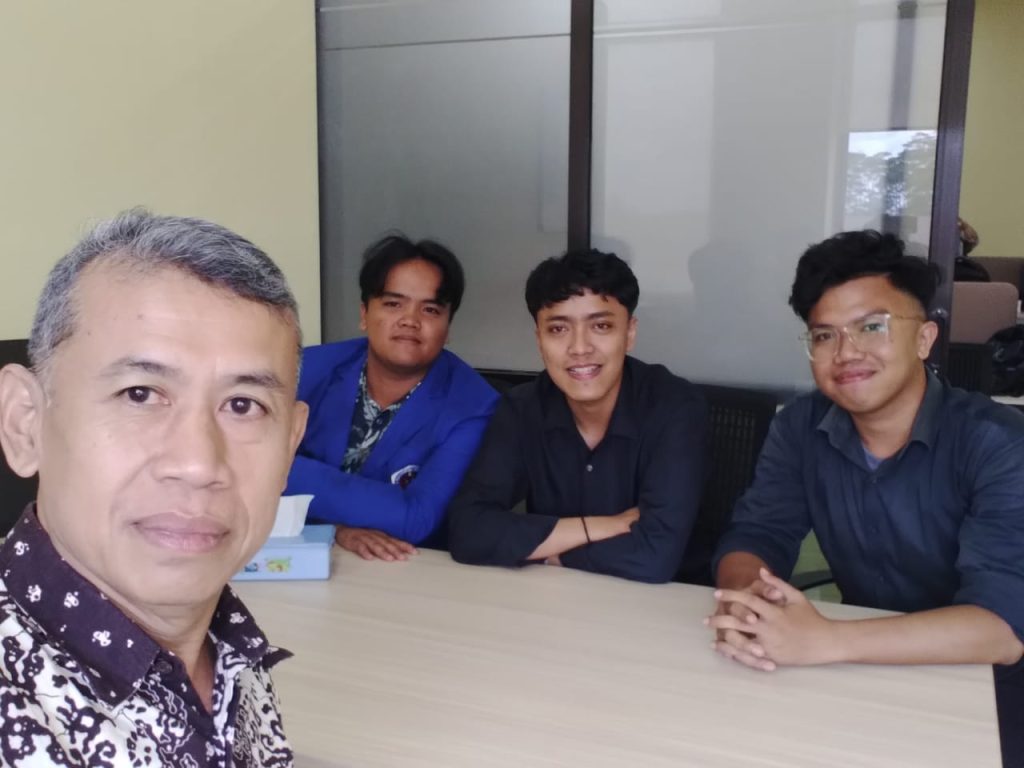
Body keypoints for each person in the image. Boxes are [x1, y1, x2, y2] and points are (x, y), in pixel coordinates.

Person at [0, 210, 309, 765]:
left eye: (243, 405)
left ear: (290, 445)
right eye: (140, 394)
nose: (198, 464)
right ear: (25, 423)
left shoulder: (226, 647)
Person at [708, 230, 1024, 767]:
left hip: (984, 691)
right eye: (824, 335)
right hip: (858, 670)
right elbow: (759, 533)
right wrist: (747, 600)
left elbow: (1002, 628)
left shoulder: (997, 443)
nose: (847, 353)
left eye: (872, 326)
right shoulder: (799, 428)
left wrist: (825, 641)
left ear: (924, 338)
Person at [447, 249, 708, 583]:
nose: (580, 348)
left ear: (629, 333)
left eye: (601, 326)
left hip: (662, 601)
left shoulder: (675, 408)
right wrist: (597, 527)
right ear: (539, 340)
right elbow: (467, 529)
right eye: (558, 329)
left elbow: (654, 557)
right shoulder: (523, 408)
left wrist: (549, 553)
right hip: (556, 597)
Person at [285, 235, 497, 559]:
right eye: (393, 304)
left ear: (448, 327)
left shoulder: (474, 406)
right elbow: (239, 474)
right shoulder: (304, 370)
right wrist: (335, 528)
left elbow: (417, 517)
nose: (410, 320)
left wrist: (280, 467)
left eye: (430, 309)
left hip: (411, 567)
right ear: (364, 314)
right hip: (306, 550)